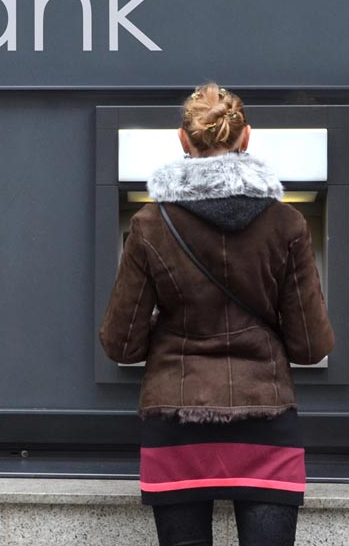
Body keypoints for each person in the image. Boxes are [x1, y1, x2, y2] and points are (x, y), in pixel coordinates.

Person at [99, 83, 335, 546]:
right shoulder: (288, 224)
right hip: (265, 418)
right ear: (246, 138)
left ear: (183, 141)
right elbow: (310, 347)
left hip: (177, 418)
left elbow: (120, 343)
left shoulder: (150, 225)